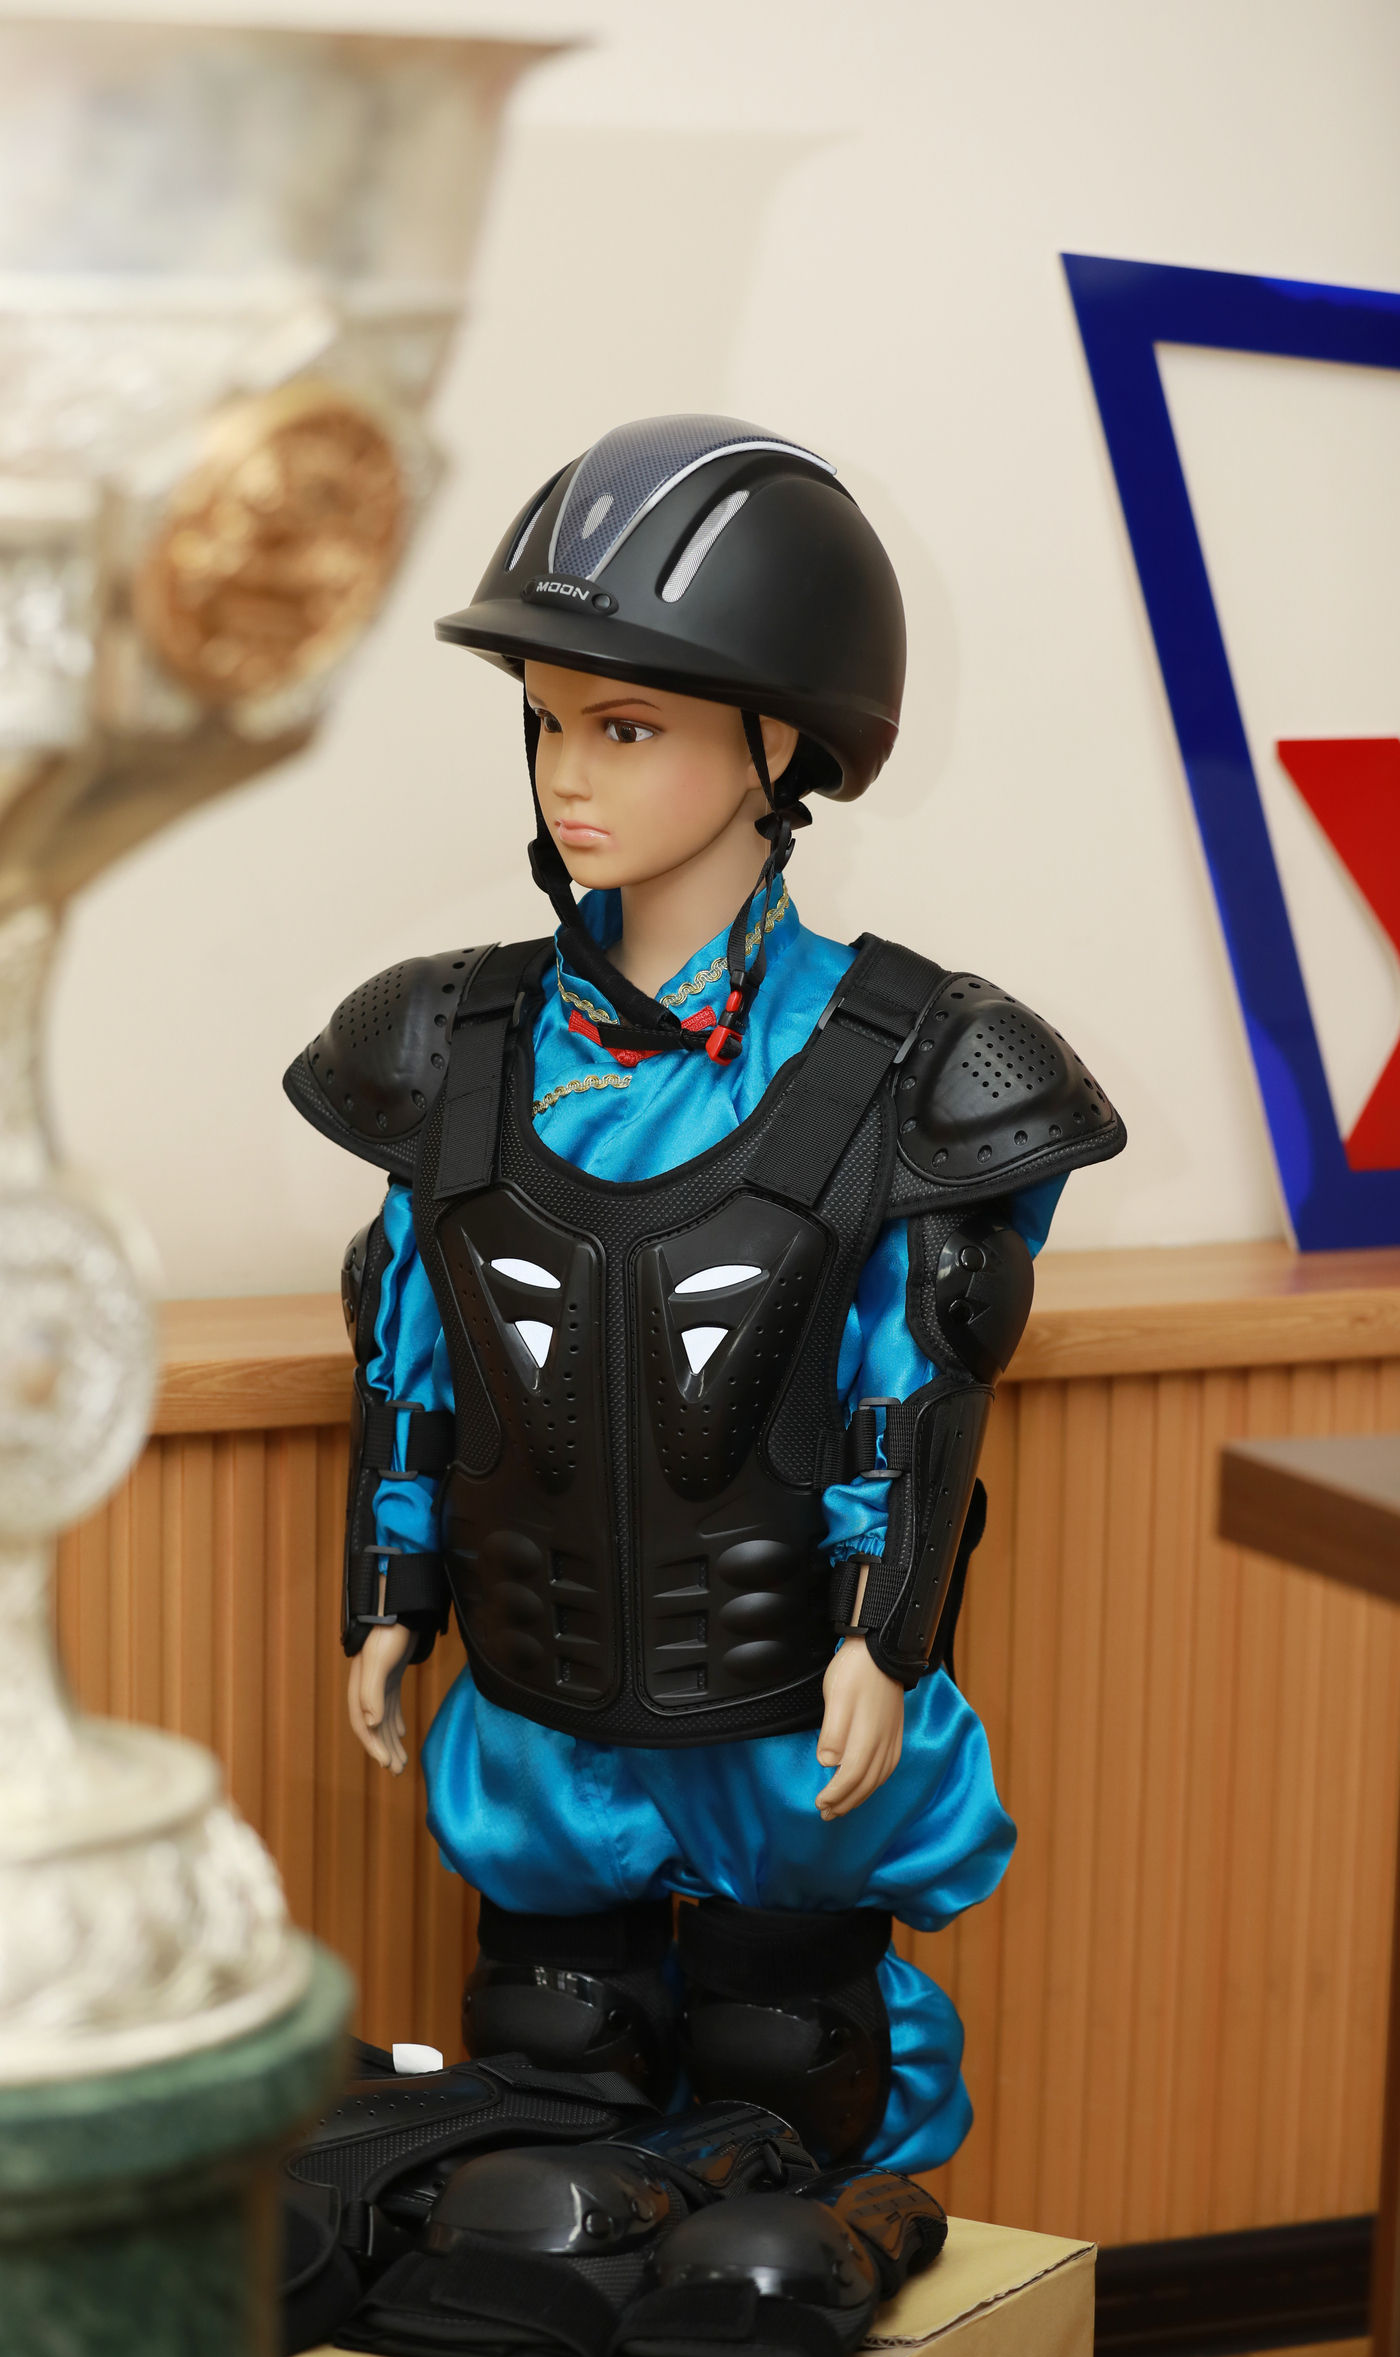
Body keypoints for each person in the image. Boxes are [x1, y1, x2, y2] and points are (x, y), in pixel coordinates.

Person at [286, 414, 1124, 2170]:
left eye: (626, 726)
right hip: (536, 1706)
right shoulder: (447, 1043)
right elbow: (414, 1354)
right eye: (546, 721)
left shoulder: (923, 1063)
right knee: (547, 2069)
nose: (566, 775)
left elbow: (915, 1382)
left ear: (778, 746)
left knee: (787, 2070)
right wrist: (390, 1596)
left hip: (781, 1722)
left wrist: (884, 1640)